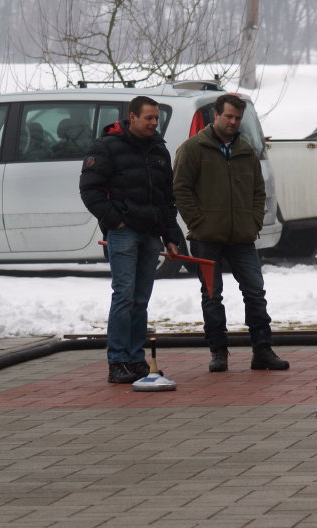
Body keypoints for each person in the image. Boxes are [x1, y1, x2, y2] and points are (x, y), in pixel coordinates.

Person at [173, 94, 288, 373]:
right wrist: (198, 223)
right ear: (216, 115)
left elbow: (258, 191)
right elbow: (180, 189)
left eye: (237, 118)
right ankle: (218, 352)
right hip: (206, 238)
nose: (233, 122)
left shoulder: (246, 151)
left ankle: (262, 350)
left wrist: (254, 222)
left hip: (242, 238)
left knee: (255, 292)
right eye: (228, 116)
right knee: (212, 296)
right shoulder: (193, 148)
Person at [79, 96, 183, 384]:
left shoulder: (158, 149)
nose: (154, 123)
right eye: (148, 118)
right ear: (132, 117)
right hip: (123, 233)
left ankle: (136, 360)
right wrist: (116, 221)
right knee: (124, 296)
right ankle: (117, 362)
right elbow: (90, 190)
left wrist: (171, 235)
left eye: (156, 119)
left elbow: (166, 198)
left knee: (140, 300)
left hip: (151, 234)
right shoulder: (106, 146)